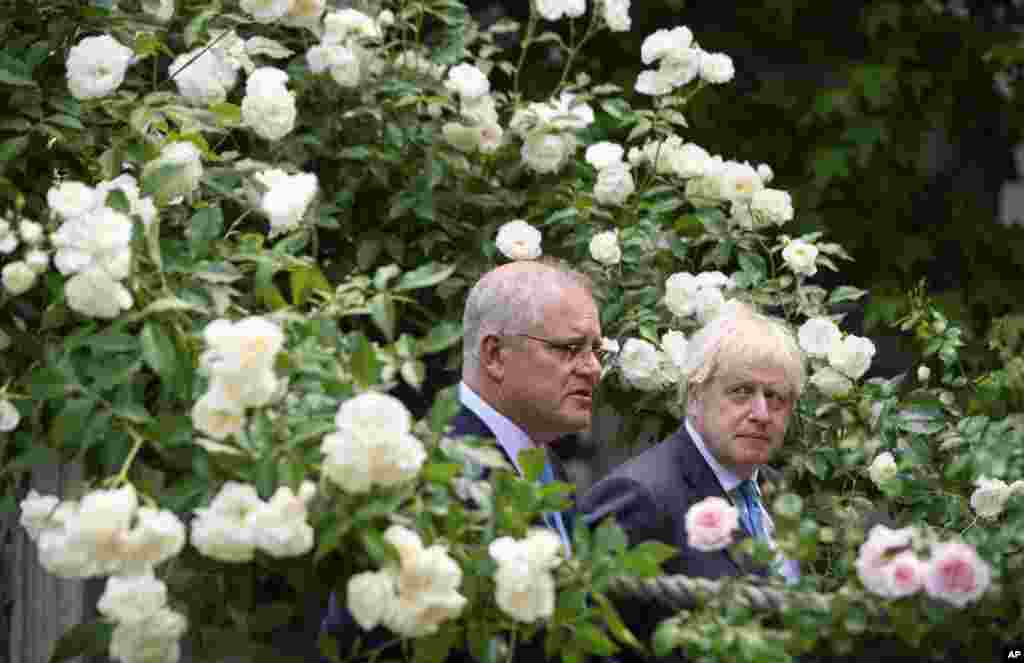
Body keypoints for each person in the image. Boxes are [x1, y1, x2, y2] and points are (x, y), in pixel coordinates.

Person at [320, 258, 605, 661]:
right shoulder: (428, 469)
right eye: (570, 348)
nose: (592, 368)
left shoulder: (542, 462)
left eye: (596, 350)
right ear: (495, 355)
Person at [580, 300, 805, 659]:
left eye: (776, 398)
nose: (761, 414)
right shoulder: (641, 496)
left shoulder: (778, 493)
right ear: (696, 396)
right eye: (741, 392)